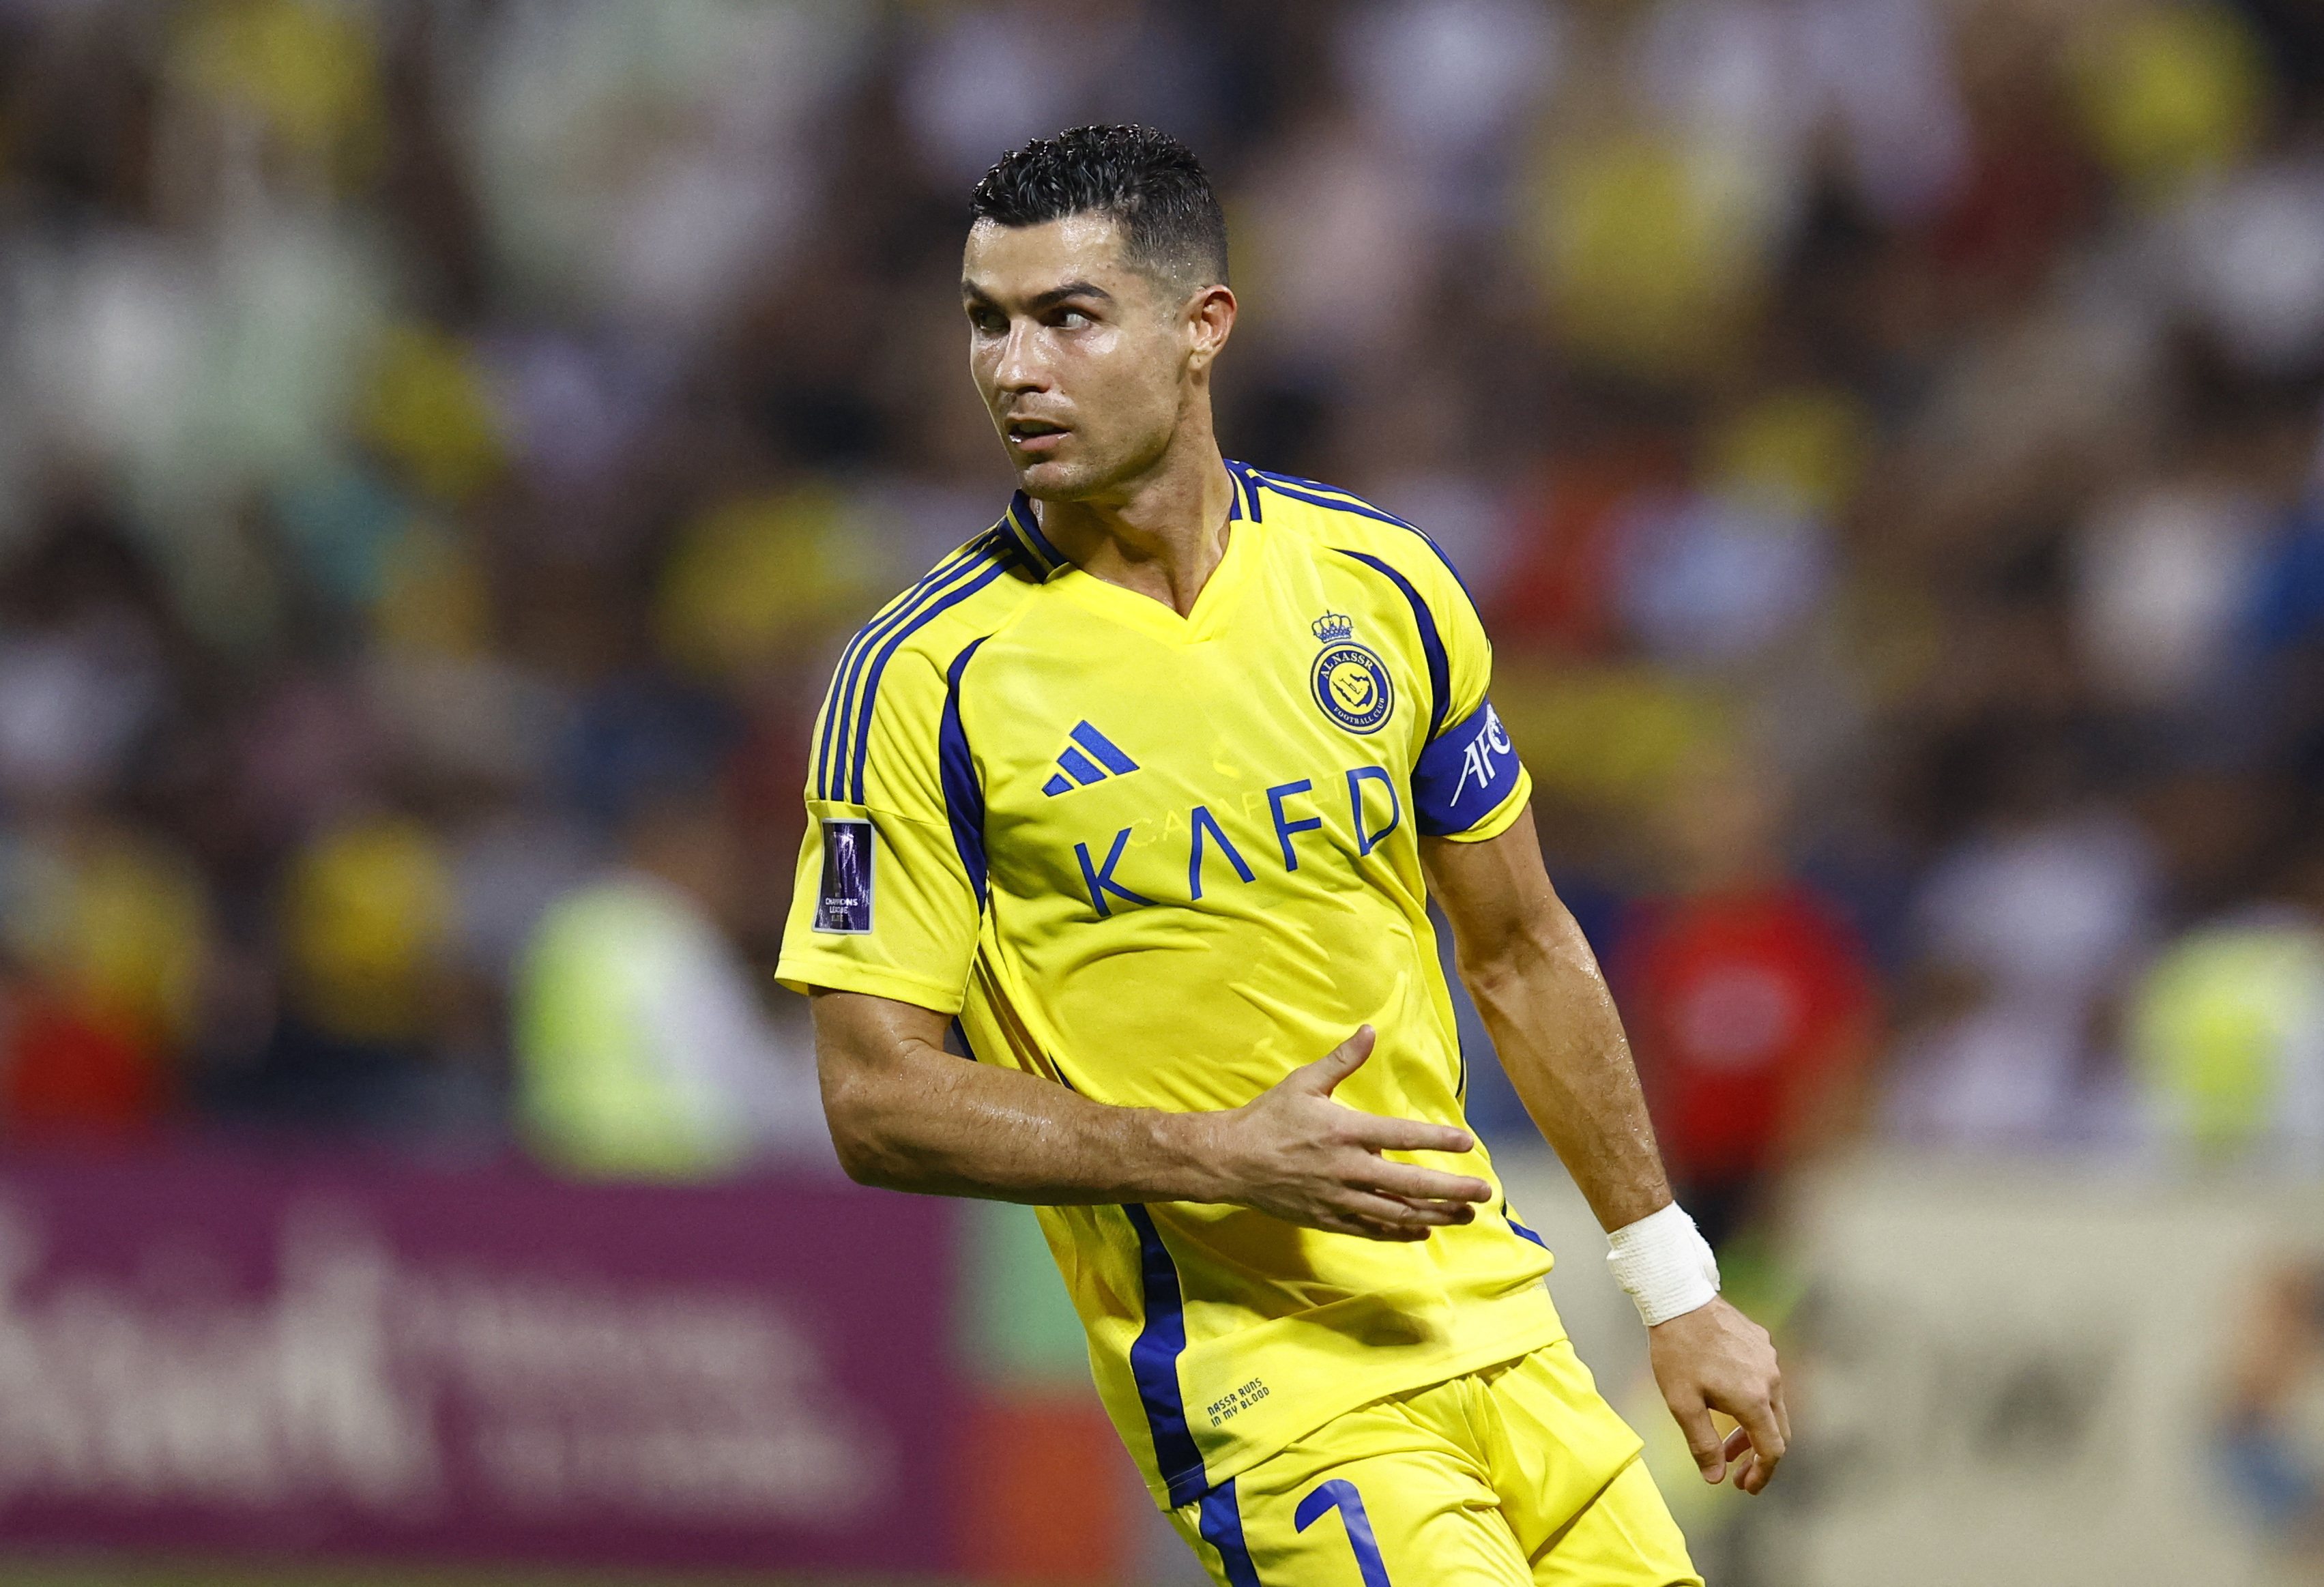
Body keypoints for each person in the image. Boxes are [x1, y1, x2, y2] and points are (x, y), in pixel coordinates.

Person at [776, 126, 1784, 1584]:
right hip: (1273, 1395)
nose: (1011, 369)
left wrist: (1673, 1282)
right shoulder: (919, 680)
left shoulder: (1377, 582)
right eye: (984, 323)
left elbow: (1519, 945)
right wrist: (1211, 1153)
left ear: (1203, 328)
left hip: (1505, 1332)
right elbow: (870, 1097)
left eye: (1065, 316)